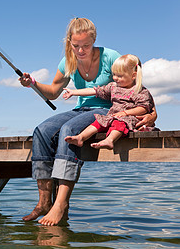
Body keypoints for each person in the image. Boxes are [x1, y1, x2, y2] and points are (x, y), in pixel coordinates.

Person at [19, 18, 157, 226]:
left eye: (86, 45)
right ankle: (44, 201)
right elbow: (54, 93)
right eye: (76, 46)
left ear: (94, 40)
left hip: (108, 110)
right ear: (69, 43)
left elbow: (136, 87)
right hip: (80, 109)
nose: (81, 50)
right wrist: (33, 84)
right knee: (42, 130)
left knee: (68, 130)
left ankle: (60, 204)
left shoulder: (111, 56)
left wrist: (152, 113)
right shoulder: (68, 61)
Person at [64, 54, 156, 149]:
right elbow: (95, 91)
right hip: (113, 116)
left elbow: (143, 108)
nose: (115, 78)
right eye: (114, 74)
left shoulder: (139, 91)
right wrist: (73, 92)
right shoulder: (113, 86)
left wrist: (125, 113)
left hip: (129, 118)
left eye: (120, 76)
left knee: (119, 123)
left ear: (133, 76)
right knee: (99, 121)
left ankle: (109, 140)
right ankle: (81, 137)